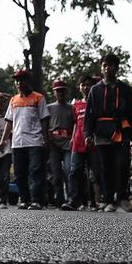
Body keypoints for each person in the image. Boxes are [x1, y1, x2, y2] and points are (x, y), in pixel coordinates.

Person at [83, 54, 132, 212]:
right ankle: (107, 200)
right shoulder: (95, 90)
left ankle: (122, 197)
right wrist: (88, 134)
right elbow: (89, 115)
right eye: (105, 65)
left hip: (121, 130)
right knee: (105, 167)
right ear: (102, 68)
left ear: (117, 68)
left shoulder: (125, 89)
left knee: (123, 164)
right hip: (101, 132)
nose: (108, 68)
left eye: (111, 65)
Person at [0, 70, 50, 210]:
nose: (19, 83)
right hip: (18, 142)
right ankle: (25, 200)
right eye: (17, 81)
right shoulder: (13, 100)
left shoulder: (39, 98)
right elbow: (9, 122)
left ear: (28, 81)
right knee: (19, 173)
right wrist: (3, 140)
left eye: (22, 80)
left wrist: (46, 141)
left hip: (35, 141)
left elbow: (44, 121)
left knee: (35, 171)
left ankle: (36, 200)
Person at [67, 75, 95, 210]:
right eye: (83, 85)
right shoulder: (76, 105)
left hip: (93, 143)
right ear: (79, 87)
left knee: (94, 173)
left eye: (88, 84)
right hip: (78, 142)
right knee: (74, 171)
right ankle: (73, 200)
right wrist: (72, 138)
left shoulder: (97, 102)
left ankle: (94, 202)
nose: (85, 87)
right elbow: (75, 123)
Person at [47, 80, 75, 209]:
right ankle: (59, 200)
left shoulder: (72, 108)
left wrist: (73, 138)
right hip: (53, 144)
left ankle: (71, 200)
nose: (60, 93)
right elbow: (44, 124)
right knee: (56, 174)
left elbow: (76, 124)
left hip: (68, 143)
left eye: (62, 90)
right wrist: (48, 137)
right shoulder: (49, 108)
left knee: (69, 170)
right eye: (58, 90)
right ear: (54, 92)